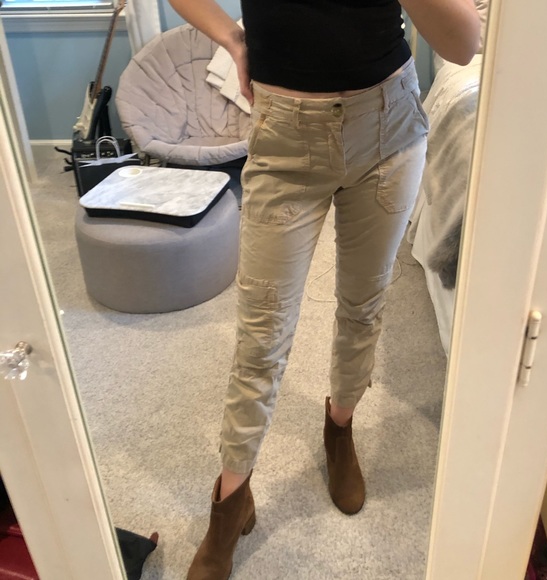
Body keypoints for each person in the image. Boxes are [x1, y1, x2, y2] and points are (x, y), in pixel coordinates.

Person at [167, 1, 481, 578]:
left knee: (363, 305)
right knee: (261, 339)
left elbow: (464, 43)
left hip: (387, 127)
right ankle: (229, 504)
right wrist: (233, 38)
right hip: (284, 134)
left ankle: (339, 428)